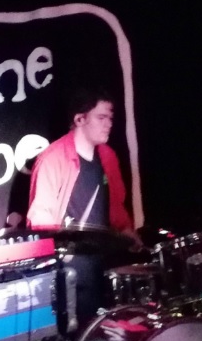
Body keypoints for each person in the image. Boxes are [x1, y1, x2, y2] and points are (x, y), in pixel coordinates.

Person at [27, 88, 137, 325]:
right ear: (79, 119)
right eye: (101, 117)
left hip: (104, 260)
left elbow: (116, 204)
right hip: (72, 265)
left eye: (110, 118)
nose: (109, 124)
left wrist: (127, 231)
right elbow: (40, 217)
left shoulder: (108, 156)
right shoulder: (53, 158)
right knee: (81, 330)